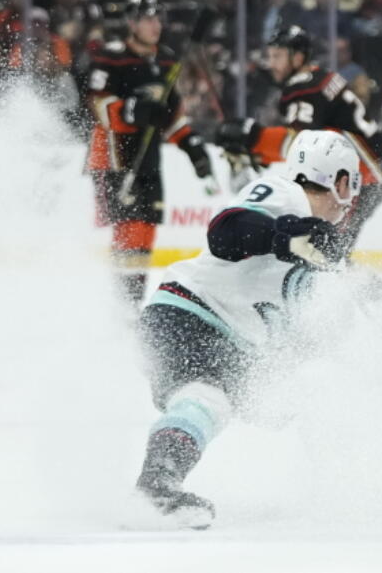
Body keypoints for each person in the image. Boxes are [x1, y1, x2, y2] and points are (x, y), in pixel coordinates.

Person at [131, 130, 357, 528]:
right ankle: (155, 485)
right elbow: (226, 231)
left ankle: (345, 486)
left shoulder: (318, 252)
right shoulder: (286, 194)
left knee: (314, 388)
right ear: (341, 182)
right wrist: (285, 235)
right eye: (352, 185)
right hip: (187, 314)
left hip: (228, 338)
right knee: (206, 398)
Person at [215, 25, 382, 254]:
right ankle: (353, 285)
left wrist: (254, 140)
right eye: (270, 56)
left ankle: (357, 287)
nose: (271, 63)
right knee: (331, 246)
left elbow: (302, 144)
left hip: (358, 176)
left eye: (278, 56)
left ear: (298, 57)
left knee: (328, 247)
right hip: (365, 171)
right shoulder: (319, 77)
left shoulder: (302, 87)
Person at [85, 0, 217, 304]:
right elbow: (95, 104)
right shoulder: (112, 57)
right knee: (128, 228)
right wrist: (133, 111)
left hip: (149, 159)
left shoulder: (167, 61)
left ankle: (132, 302)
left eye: (158, 19)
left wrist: (192, 146)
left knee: (146, 231)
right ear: (132, 23)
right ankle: (123, 303)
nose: (155, 25)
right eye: (148, 19)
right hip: (116, 157)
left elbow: (170, 118)